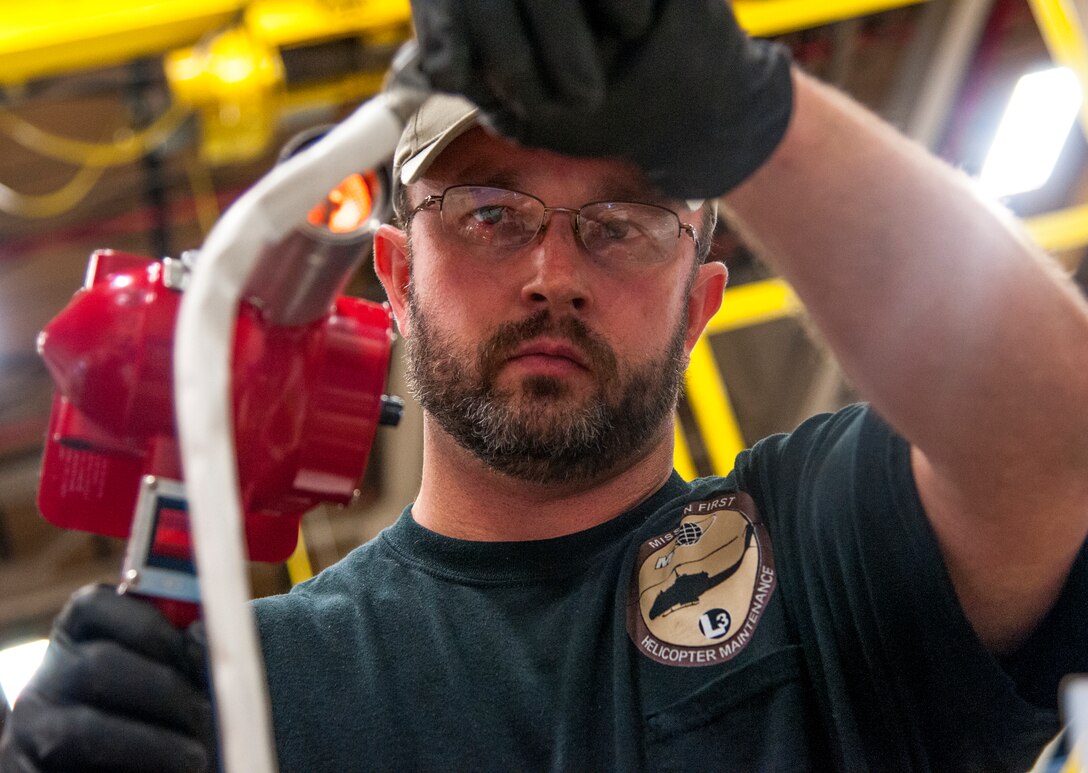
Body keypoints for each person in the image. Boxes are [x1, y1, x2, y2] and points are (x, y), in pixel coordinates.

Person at [3, 1, 1088, 771]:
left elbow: (1059, 439)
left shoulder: (818, 554)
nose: (553, 275)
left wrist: (756, 119)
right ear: (395, 275)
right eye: (489, 215)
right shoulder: (249, 686)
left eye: (621, 225)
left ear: (698, 299)